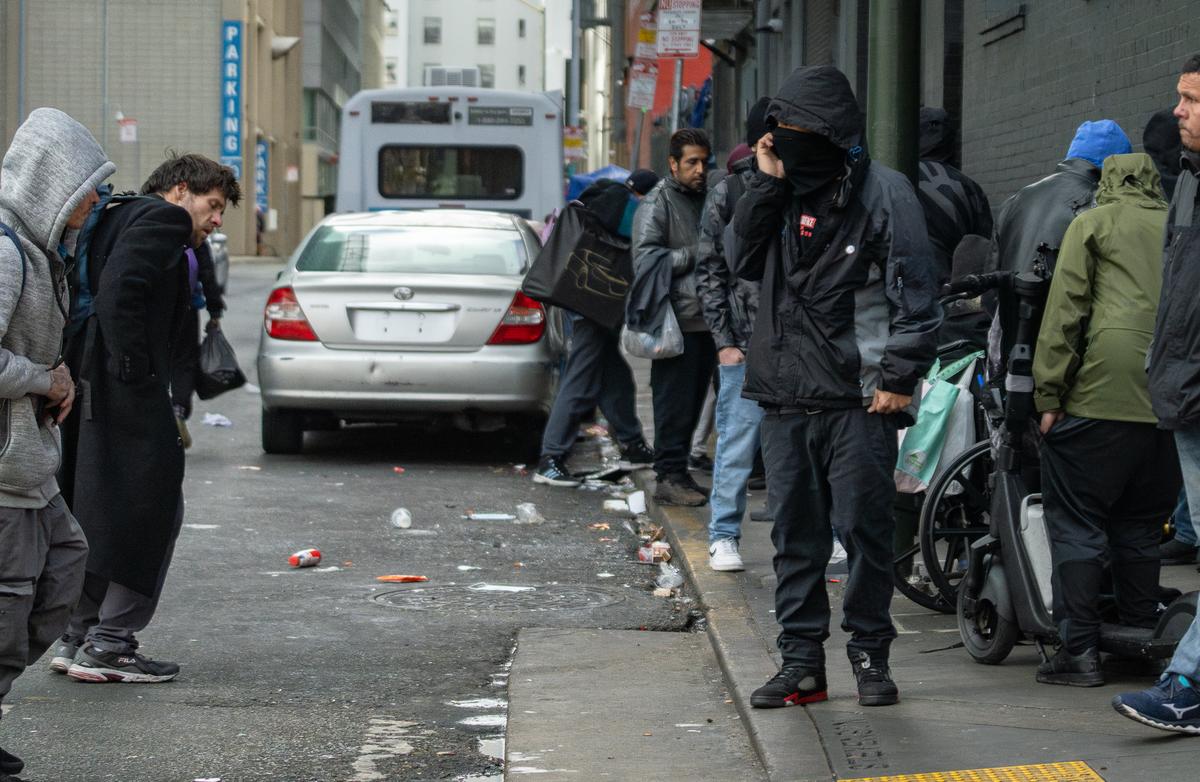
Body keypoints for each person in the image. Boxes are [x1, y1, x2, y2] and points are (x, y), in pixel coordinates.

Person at [733, 66, 940, 709]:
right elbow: (739, 259)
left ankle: (870, 658)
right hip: (786, 395)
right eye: (777, 131)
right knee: (794, 537)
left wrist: (900, 379)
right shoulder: (774, 188)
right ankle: (801, 664)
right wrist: (766, 185)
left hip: (859, 399)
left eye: (796, 132)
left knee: (866, 533)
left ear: (831, 134)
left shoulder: (885, 193)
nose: (784, 142)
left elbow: (915, 291)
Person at [54, 153, 241, 684]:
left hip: (87, 380)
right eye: (213, 205)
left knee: (97, 506)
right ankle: (111, 645)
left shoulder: (115, 212)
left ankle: (77, 635)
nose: (216, 219)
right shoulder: (164, 219)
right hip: (123, 389)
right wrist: (136, 373)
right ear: (181, 190)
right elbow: (121, 291)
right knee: (155, 511)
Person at [1032, 152, 1180, 687]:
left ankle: (1078, 651)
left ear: (1106, 183)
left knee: (1077, 521)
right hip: (1171, 391)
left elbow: (1065, 310)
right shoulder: (1180, 222)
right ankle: (1139, 634)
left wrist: (1048, 395)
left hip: (1102, 387)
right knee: (1141, 525)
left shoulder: (1092, 221)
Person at [0, 107, 112, 782]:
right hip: (6, 471)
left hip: (32, 465)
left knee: (65, 569)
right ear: (50, 183)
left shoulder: (41, 252)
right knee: (9, 605)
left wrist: (56, 376)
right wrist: (44, 377)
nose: (94, 199)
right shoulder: (7, 253)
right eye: (85, 186)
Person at [1112, 55, 1200, 731]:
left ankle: (1187, 685)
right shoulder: (1190, 183)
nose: (1178, 111)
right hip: (1183, 392)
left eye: (1191, 100)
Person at [532, 169, 659, 487]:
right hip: (595, 307)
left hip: (587, 300)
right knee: (580, 381)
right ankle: (551, 458)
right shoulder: (629, 209)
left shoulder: (604, 199)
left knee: (615, 377)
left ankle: (633, 445)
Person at [988, 119, 1132, 366]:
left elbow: (992, 287)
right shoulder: (1102, 206)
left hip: (1012, 354)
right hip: (1067, 360)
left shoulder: (1017, 199)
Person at [697, 99, 771, 572]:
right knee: (738, 443)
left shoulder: (810, 185)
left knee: (808, 449)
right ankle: (723, 535)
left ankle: (826, 535)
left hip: (799, 344)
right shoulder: (730, 191)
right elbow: (711, 271)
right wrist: (725, 340)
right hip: (744, 342)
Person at [630, 128, 716, 506]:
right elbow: (645, 260)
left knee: (693, 403)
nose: (699, 170)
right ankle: (668, 476)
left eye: (704, 162)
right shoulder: (657, 203)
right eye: (691, 162)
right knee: (673, 404)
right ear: (673, 163)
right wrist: (696, 253)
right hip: (676, 322)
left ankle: (679, 473)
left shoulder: (704, 198)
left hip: (703, 317)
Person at [916, 107, 993, 285]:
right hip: (953, 290)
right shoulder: (969, 186)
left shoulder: (899, 178)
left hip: (909, 286)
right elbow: (984, 247)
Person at [169, 236, 225, 449]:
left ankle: (160, 415)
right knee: (184, 362)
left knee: (158, 363)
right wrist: (215, 311)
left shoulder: (155, 225)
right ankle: (178, 410)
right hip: (187, 309)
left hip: (158, 312)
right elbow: (207, 273)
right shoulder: (192, 231)